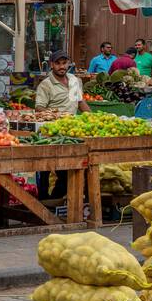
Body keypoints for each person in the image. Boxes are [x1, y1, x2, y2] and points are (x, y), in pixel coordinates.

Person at [34, 50, 90, 198]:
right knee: (48, 169)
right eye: (58, 63)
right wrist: (55, 116)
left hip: (72, 131)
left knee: (72, 171)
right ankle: (46, 201)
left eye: (64, 63)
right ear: (51, 65)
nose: (61, 66)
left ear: (69, 64)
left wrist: (91, 117)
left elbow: (79, 102)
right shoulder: (46, 85)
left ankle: (56, 200)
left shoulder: (74, 80)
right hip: (52, 133)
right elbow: (39, 108)